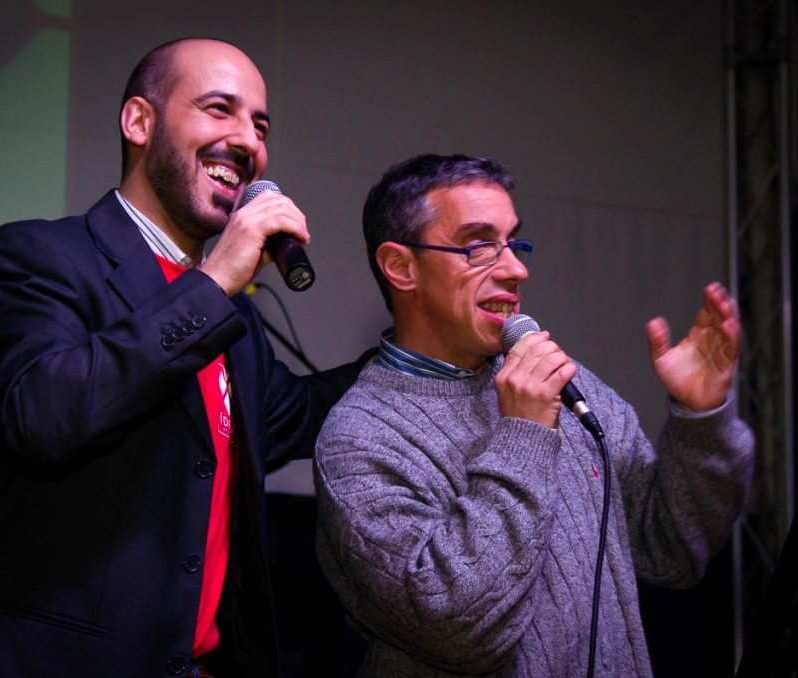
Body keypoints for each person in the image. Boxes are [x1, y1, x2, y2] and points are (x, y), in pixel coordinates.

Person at [0, 38, 358, 677]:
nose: (248, 140)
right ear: (138, 122)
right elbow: (45, 417)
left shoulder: (233, 316)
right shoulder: (37, 258)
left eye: (261, 126)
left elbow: (298, 415)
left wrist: (429, 348)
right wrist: (213, 284)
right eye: (220, 109)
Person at [313, 154, 755, 676]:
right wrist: (523, 435)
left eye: (513, 243)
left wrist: (700, 419)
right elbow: (458, 629)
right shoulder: (358, 439)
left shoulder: (562, 383)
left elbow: (671, 548)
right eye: (479, 246)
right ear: (401, 267)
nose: (516, 269)